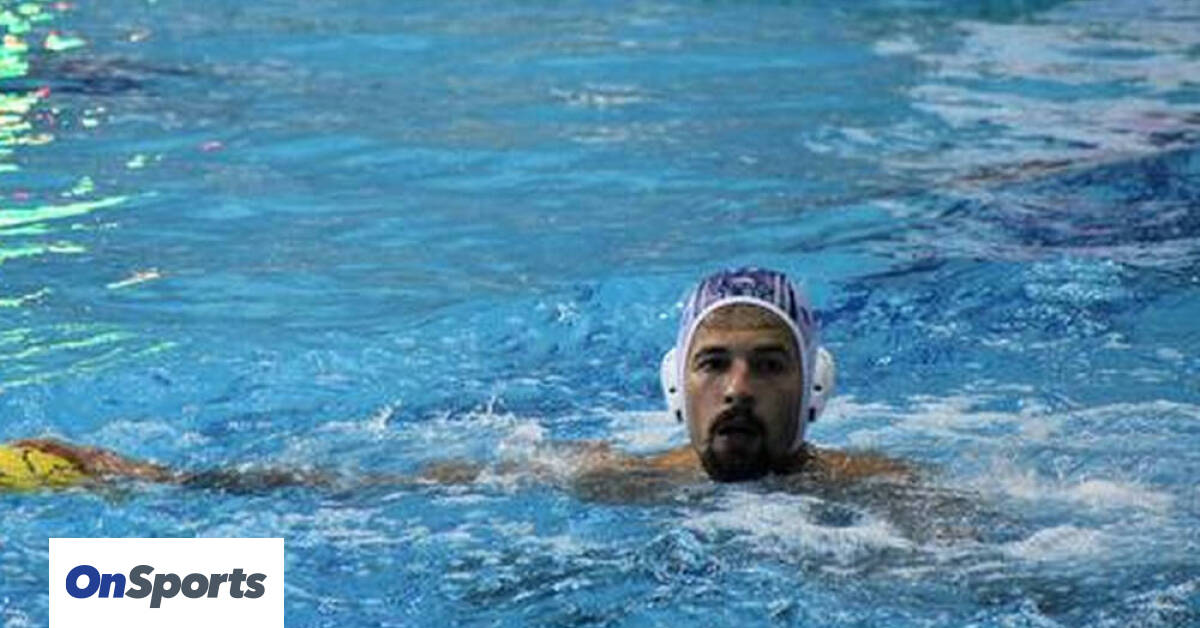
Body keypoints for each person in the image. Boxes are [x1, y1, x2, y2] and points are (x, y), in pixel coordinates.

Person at [1, 268, 909, 496]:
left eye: (768, 364)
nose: (739, 387)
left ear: (813, 390)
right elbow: (360, 487)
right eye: (715, 363)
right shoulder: (610, 477)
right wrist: (151, 478)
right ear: (679, 388)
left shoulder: (887, 497)